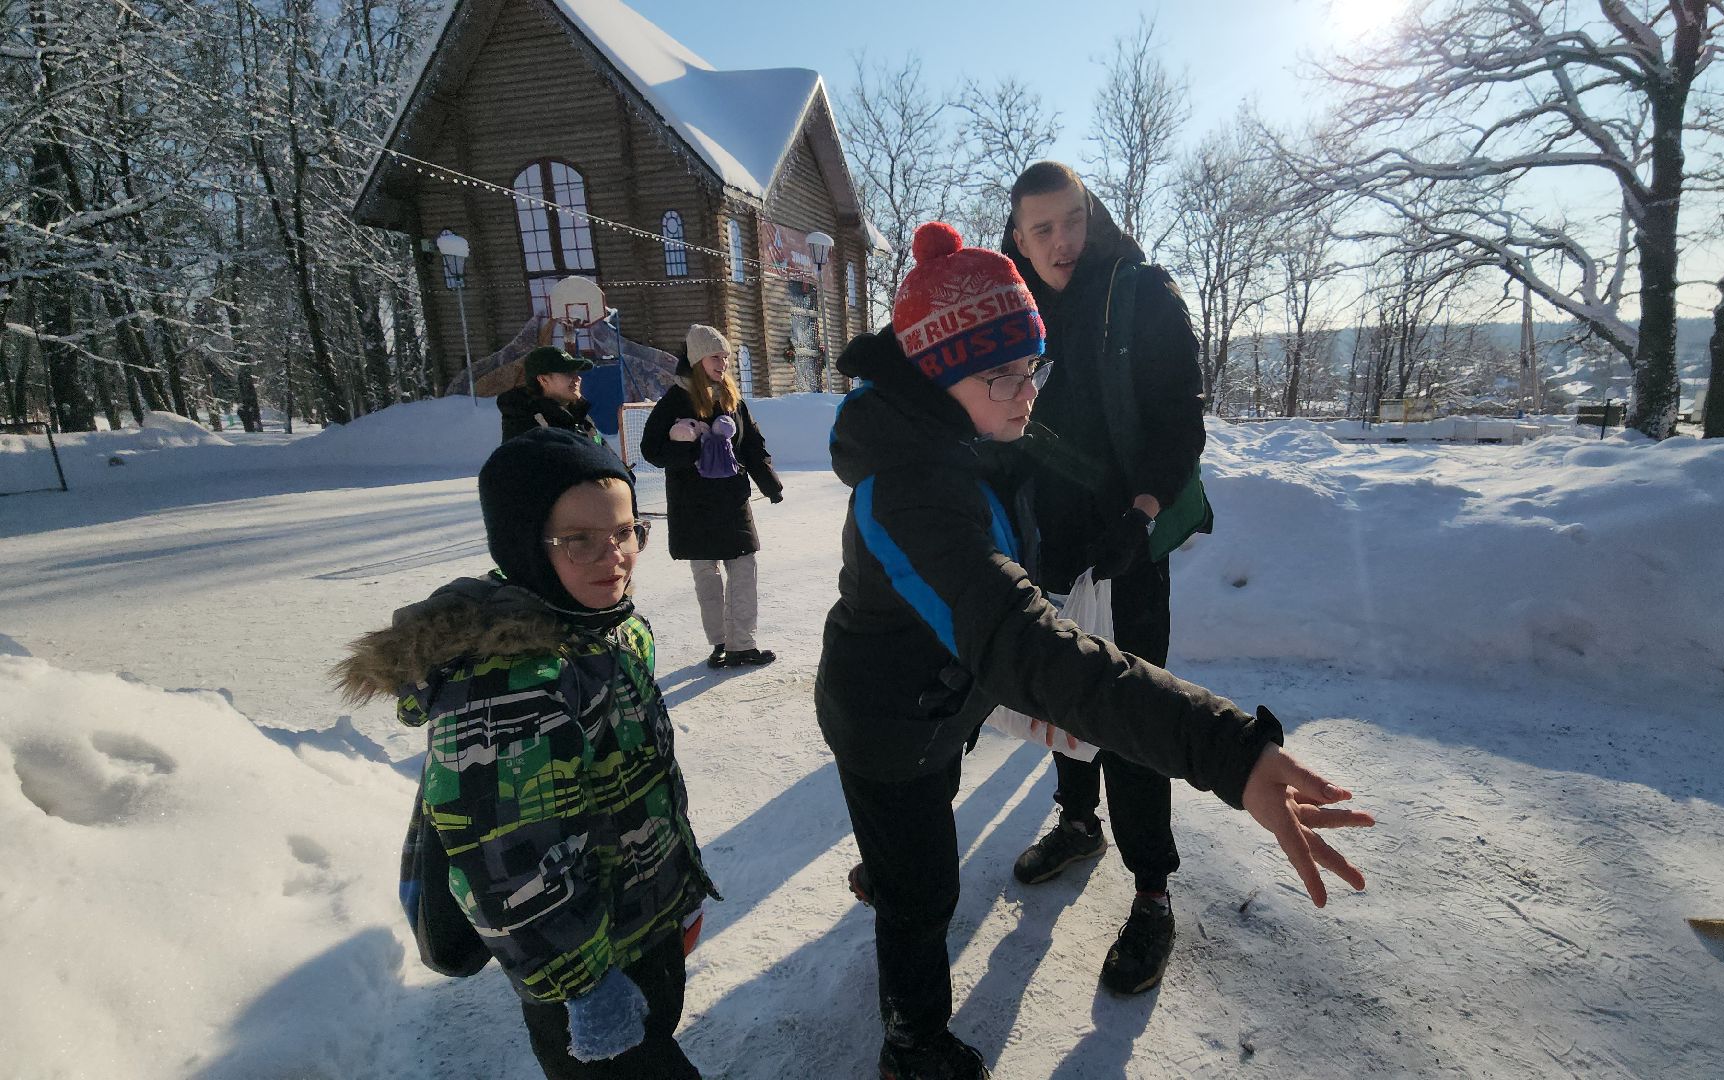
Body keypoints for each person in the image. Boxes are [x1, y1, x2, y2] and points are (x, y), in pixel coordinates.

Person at [816, 222, 1372, 1080]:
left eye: (1032, 366)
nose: (1025, 392)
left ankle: (895, 864)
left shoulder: (966, 434)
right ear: (934, 369)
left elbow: (1074, 494)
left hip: (942, 699)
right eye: (1000, 373)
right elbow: (1024, 644)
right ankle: (912, 1043)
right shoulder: (908, 494)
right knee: (925, 892)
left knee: (918, 852)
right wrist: (1224, 749)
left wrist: (1129, 520)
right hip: (888, 724)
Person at [334, 429, 715, 1079]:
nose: (614, 556)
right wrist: (583, 987)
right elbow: (505, 866)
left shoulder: (609, 626)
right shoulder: (504, 688)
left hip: (635, 921)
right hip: (578, 971)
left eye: (626, 531)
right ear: (524, 546)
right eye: (580, 540)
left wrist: (669, 894)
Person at [996, 160, 1211, 995]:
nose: (1062, 240)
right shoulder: (1007, 306)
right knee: (1057, 694)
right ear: (1017, 234)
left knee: (1132, 714)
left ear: (1092, 214)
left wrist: (1143, 511)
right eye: (1042, 228)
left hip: (1126, 546)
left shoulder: (1142, 293)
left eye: (1072, 219)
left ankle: (1153, 889)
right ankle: (1079, 821)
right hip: (1043, 544)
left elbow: (1178, 419)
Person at [639, 325, 783, 669]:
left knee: (743, 568)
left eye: (727, 357)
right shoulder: (675, 400)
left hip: (732, 500)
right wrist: (683, 444)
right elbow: (651, 451)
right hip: (693, 504)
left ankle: (741, 644)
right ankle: (720, 643)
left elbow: (751, 446)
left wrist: (770, 483)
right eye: (716, 356)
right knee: (707, 573)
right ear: (697, 358)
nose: (724, 363)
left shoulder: (731, 398)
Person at [499, 344, 601, 442]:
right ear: (543, 380)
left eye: (576, 372)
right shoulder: (526, 426)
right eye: (568, 373)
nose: (577, 378)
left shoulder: (581, 416)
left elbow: (602, 450)